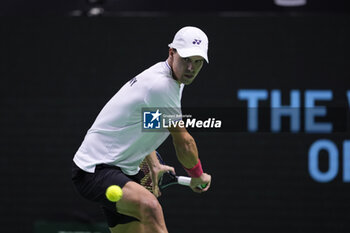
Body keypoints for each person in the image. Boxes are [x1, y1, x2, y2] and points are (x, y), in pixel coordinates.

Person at [72, 26, 212, 233]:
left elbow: (146, 125)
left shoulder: (174, 81)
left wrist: (153, 163)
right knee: (151, 207)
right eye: (186, 60)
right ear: (171, 53)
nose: (191, 68)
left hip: (123, 171)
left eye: (198, 62)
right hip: (95, 169)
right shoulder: (161, 85)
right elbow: (184, 142)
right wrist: (197, 174)